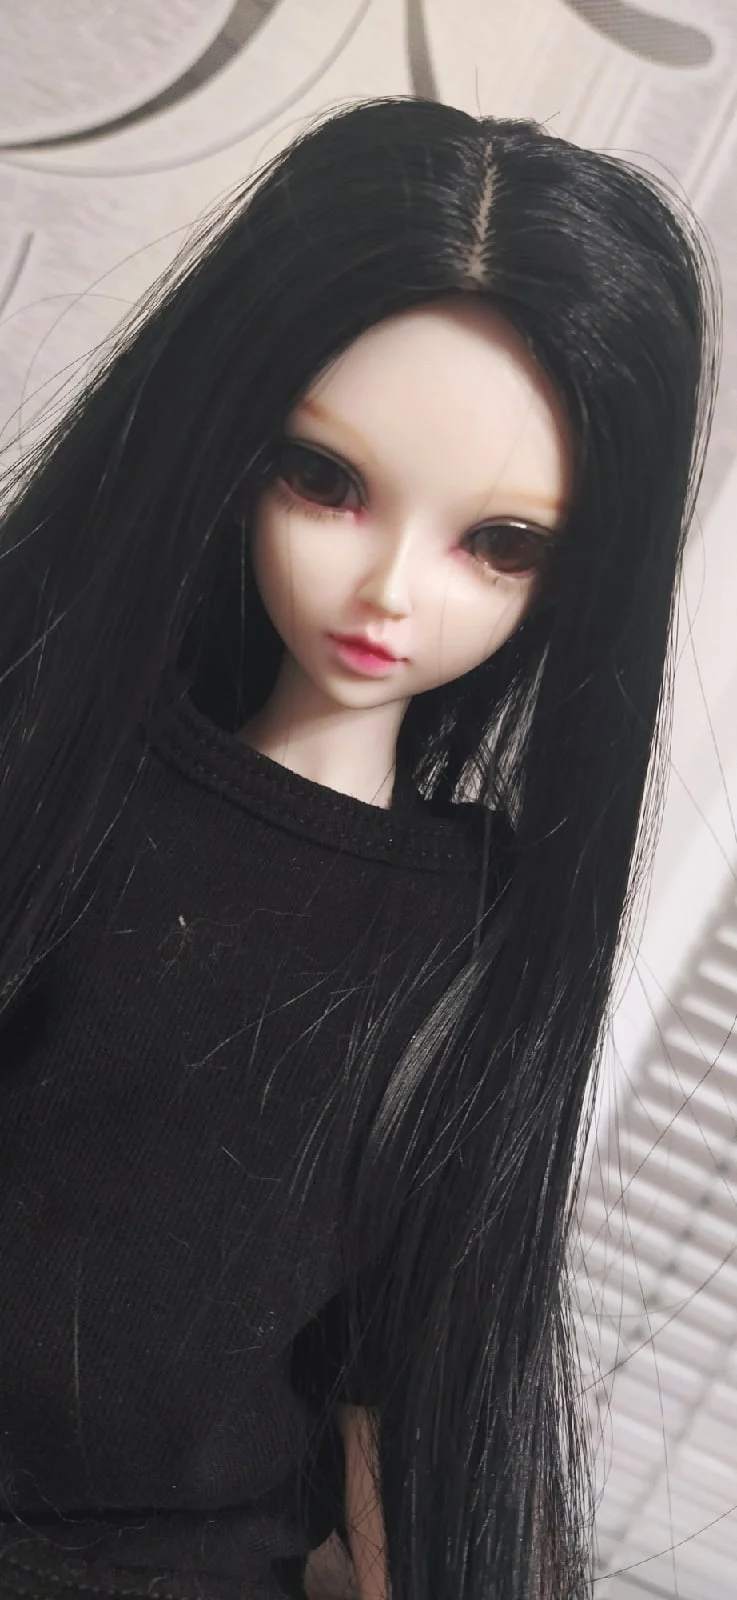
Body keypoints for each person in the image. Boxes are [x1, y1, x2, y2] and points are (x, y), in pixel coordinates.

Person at [0, 96, 720, 1600]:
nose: (391, 590)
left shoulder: (472, 945)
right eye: (325, 480)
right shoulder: (60, 765)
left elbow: (405, 1386)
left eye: (500, 544)